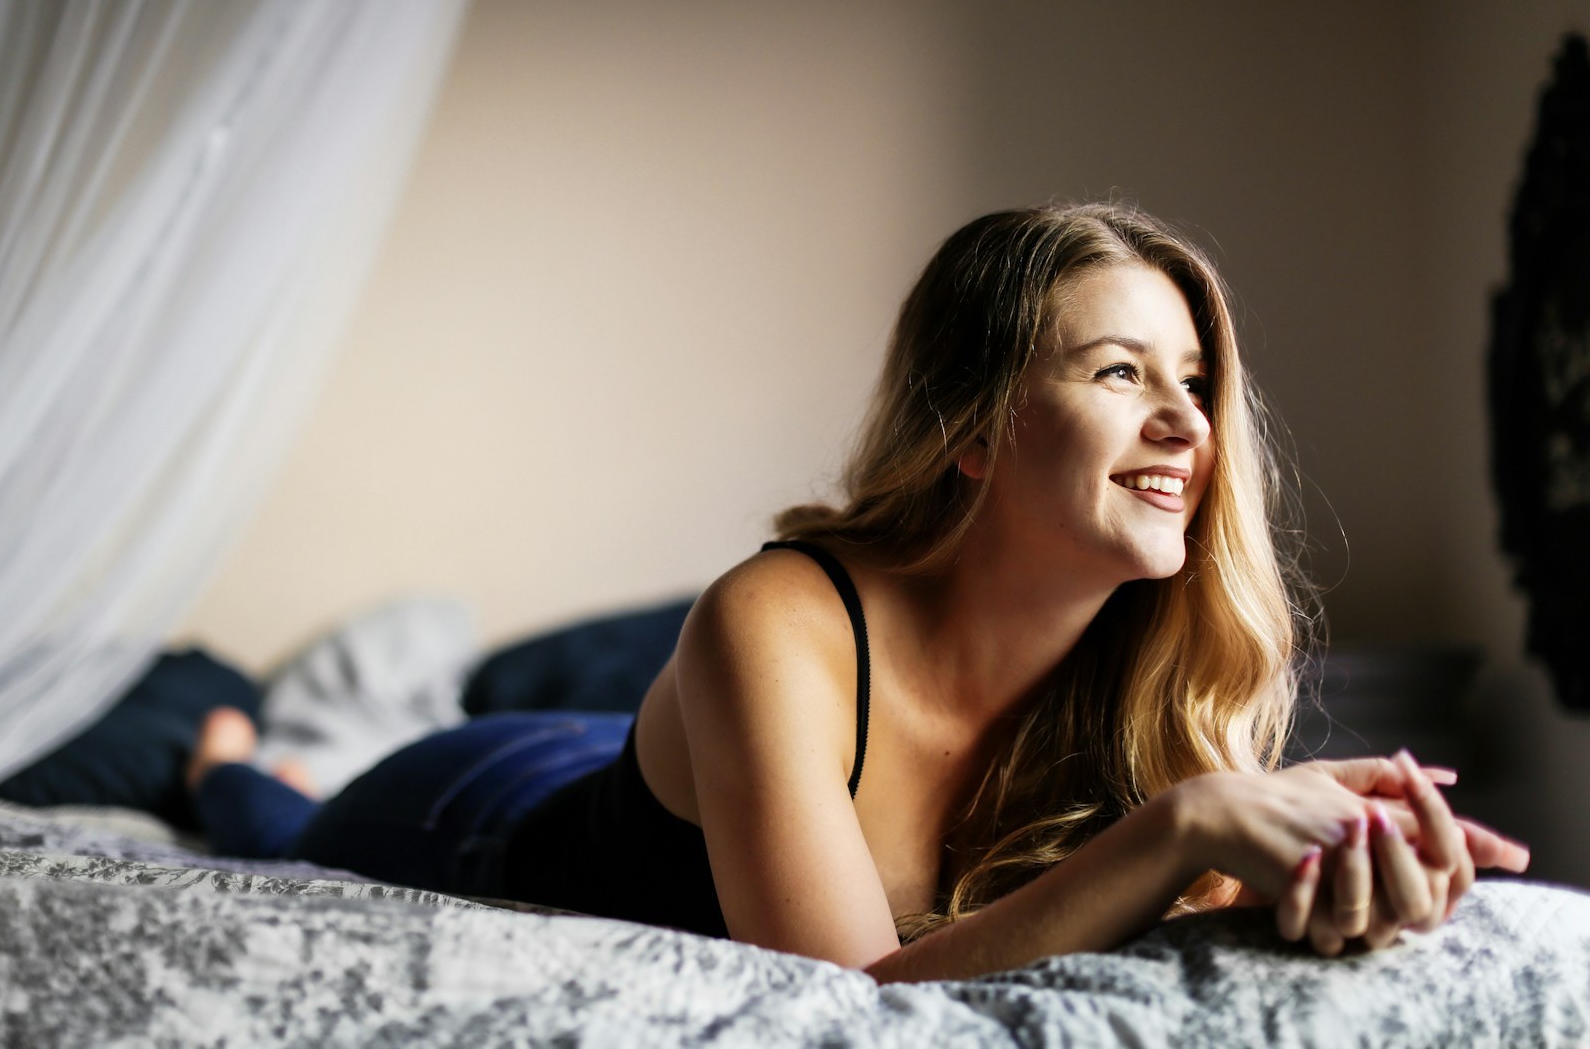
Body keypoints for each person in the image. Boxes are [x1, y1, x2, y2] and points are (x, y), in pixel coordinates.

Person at [188, 202, 1529, 983]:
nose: (1188, 424)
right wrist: (1184, 828)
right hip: (481, 805)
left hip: (694, 768)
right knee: (262, 823)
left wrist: (1345, 878)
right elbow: (849, 1004)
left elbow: (1188, 907)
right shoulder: (772, 616)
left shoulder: (1165, 670)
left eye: (1193, 382)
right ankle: (235, 759)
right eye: (1120, 373)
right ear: (977, 428)